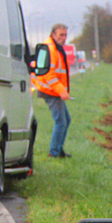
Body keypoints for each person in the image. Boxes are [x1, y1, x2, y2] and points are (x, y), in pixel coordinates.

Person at [33, 23, 71, 158]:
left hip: (54, 91)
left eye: (65, 35)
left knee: (66, 119)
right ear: (53, 34)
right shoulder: (50, 48)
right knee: (61, 121)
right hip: (50, 91)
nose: (64, 38)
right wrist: (61, 91)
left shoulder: (56, 47)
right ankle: (54, 152)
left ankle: (58, 150)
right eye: (61, 35)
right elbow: (48, 74)